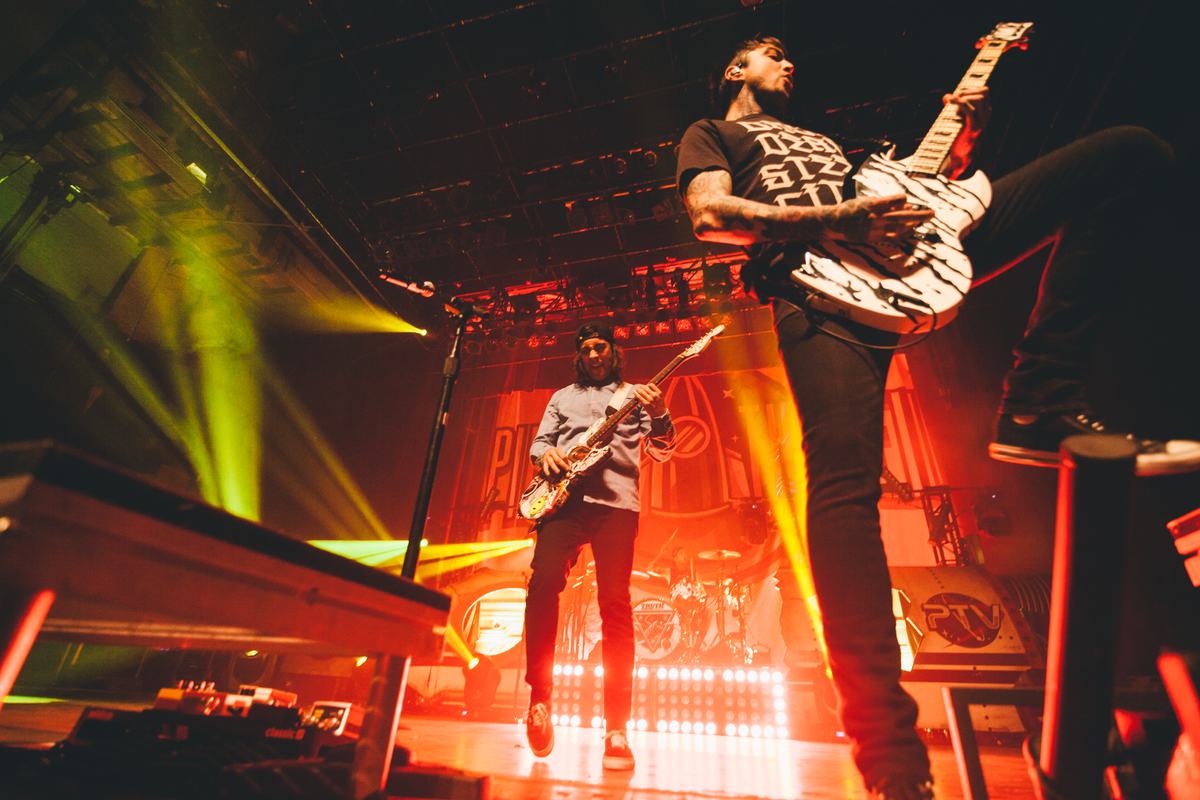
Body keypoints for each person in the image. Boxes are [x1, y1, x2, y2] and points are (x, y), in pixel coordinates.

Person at [674, 34, 1200, 798]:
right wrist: (840, 221)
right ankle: (888, 751)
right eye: (771, 52)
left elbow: (908, 191)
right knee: (844, 491)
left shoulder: (829, 141)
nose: (790, 61)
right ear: (735, 70)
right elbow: (709, 214)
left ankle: (1040, 394)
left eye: (792, 53)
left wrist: (954, 142)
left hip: (908, 246)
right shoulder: (714, 133)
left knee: (1133, 155)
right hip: (820, 295)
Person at [523, 322, 676, 771]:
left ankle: (616, 728)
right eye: (586, 348)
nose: (593, 355)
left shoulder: (635, 394)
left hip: (616, 508)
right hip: (563, 503)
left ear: (613, 351)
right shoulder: (561, 398)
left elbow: (664, 450)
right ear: (579, 355)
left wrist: (662, 409)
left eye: (600, 347)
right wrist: (544, 456)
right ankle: (539, 702)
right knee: (543, 584)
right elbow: (539, 443)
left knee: (615, 603)